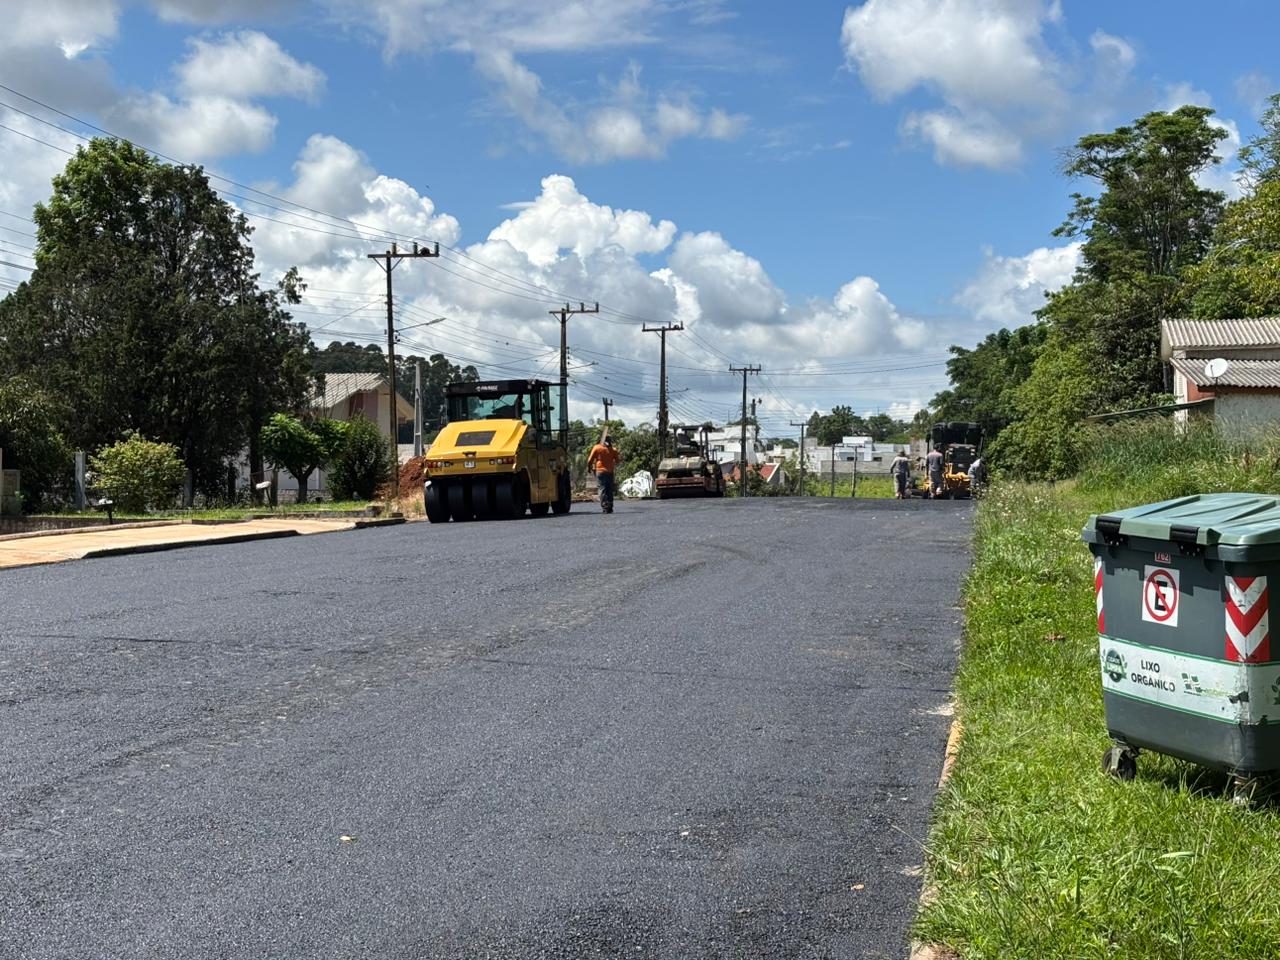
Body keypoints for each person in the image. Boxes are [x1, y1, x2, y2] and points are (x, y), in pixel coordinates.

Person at [587, 435, 622, 513]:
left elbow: (590, 460)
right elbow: (618, 461)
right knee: (609, 489)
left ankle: (605, 506)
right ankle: (610, 506)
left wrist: (589, 468)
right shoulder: (613, 450)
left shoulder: (597, 448)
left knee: (602, 489)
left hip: (600, 472)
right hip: (610, 472)